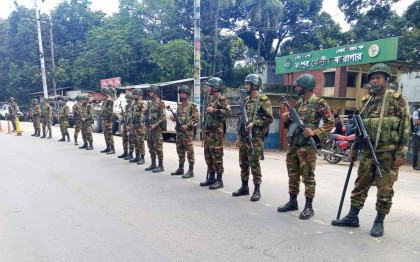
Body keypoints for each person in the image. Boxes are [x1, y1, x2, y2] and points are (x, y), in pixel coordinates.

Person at [331, 63, 409, 237]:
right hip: (367, 151)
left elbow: (405, 128)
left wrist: (402, 153)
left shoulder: (398, 100)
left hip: (388, 153)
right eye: (372, 78)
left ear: (387, 80)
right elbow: (359, 129)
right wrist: (353, 150)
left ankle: (379, 221)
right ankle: (352, 216)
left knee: (385, 189)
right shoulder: (366, 102)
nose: (375, 81)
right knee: (360, 184)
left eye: (378, 77)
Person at [277, 73, 334, 219]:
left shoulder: (319, 102)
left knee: (308, 176)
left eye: (298, 85)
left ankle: (309, 207)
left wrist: (315, 132)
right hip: (294, 145)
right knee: (293, 174)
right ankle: (292, 202)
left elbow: (330, 122)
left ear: (306, 87)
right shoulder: (300, 102)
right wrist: (287, 117)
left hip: (307, 146)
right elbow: (295, 122)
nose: (296, 87)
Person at [232, 74, 273, 202]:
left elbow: (269, 119)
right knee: (243, 163)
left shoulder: (263, 100)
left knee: (254, 163)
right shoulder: (246, 101)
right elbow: (241, 121)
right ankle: (244, 187)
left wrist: (255, 123)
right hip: (244, 137)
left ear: (255, 85)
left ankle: (256, 190)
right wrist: (239, 137)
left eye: (247, 84)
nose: (245, 86)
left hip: (255, 138)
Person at [199, 77, 232, 189]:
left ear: (215, 87)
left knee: (217, 155)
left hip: (216, 134)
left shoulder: (222, 100)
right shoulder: (211, 101)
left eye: (210, 86)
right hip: (208, 132)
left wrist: (214, 111)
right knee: (208, 156)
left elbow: (228, 112)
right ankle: (211, 178)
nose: (208, 88)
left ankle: (219, 180)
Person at [170, 85, 199, 179]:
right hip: (179, 133)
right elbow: (176, 117)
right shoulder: (179, 107)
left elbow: (196, 119)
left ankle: (191, 171)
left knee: (190, 152)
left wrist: (187, 125)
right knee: (180, 151)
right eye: (180, 93)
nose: (181, 95)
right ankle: (180, 168)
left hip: (188, 133)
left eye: (183, 93)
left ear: (187, 94)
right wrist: (173, 117)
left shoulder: (192, 106)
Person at [144, 85, 167, 173]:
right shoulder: (150, 104)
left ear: (156, 93)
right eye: (149, 92)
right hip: (149, 128)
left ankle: (160, 165)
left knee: (158, 148)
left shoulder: (160, 103)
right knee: (150, 147)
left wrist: (156, 125)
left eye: (151, 92)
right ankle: (153, 164)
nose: (150, 93)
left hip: (156, 129)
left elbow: (163, 117)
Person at [130, 88, 147, 165]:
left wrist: (141, 126)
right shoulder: (134, 104)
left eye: (135, 94)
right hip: (134, 125)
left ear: (140, 95)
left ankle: (142, 158)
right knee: (135, 141)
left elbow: (143, 115)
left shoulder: (142, 103)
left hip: (140, 125)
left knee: (140, 142)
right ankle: (137, 156)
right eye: (133, 94)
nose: (133, 95)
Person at [118, 92, 135, 160]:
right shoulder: (126, 106)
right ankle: (125, 152)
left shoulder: (133, 106)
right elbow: (126, 115)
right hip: (125, 124)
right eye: (126, 98)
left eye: (128, 98)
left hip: (130, 125)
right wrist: (123, 113)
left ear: (131, 99)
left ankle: (130, 154)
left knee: (131, 140)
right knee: (124, 138)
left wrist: (130, 126)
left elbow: (132, 116)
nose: (126, 99)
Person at [100, 87, 115, 154]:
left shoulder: (109, 100)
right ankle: (108, 147)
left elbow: (110, 111)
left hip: (108, 120)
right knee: (106, 134)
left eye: (103, 93)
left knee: (109, 134)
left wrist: (108, 120)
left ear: (106, 93)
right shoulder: (105, 100)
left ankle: (112, 148)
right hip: (104, 119)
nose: (103, 94)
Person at [412, 106, 420, 170]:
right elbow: (416, 122)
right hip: (417, 135)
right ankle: (415, 166)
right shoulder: (416, 112)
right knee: (416, 151)